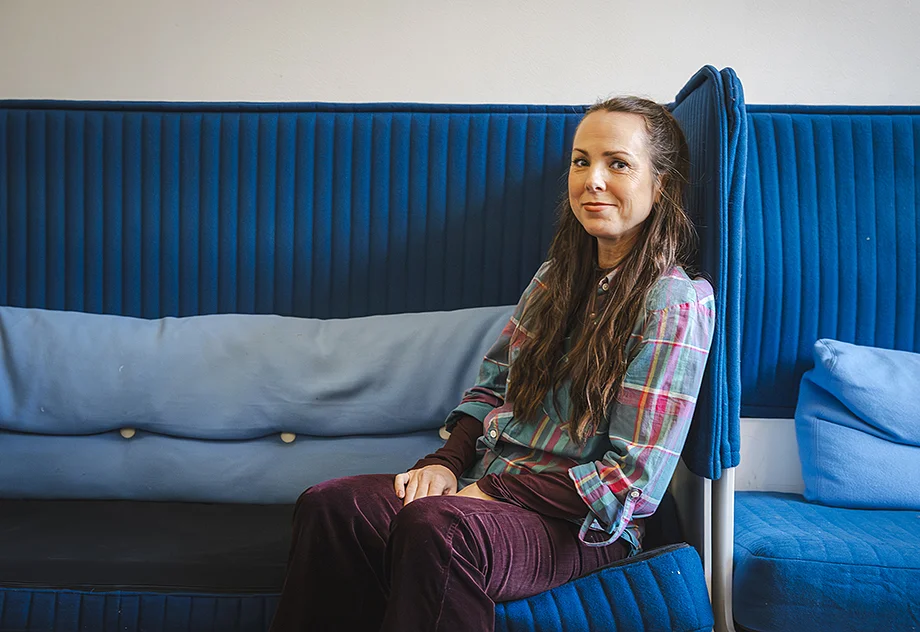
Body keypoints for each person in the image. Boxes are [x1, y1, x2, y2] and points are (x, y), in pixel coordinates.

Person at [268, 96, 715, 632]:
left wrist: (496, 491)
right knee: (330, 506)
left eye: (617, 163)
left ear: (660, 184)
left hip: (578, 526)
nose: (592, 179)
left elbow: (632, 484)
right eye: (581, 161)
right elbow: (489, 390)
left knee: (439, 527)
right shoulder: (554, 279)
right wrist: (445, 464)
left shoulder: (676, 304)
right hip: (487, 483)